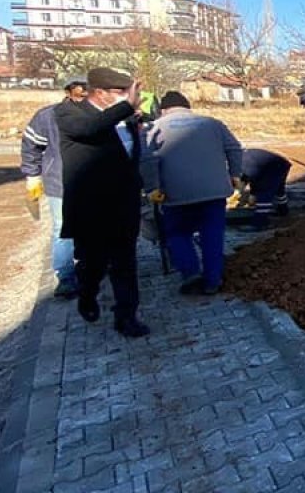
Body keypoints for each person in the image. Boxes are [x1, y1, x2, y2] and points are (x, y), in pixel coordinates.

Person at [55, 67, 149, 337]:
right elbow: (89, 129)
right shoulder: (69, 113)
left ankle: (126, 316)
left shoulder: (127, 119)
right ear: (99, 93)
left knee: (125, 263)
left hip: (123, 204)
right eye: (121, 92)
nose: (127, 98)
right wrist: (125, 108)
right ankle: (87, 294)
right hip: (91, 208)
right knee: (93, 263)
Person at [142, 91, 243, 295]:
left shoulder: (154, 128)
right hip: (214, 191)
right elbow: (234, 148)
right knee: (212, 235)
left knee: (178, 234)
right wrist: (235, 175)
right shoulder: (212, 123)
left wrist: (152, 187)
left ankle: (190, 274)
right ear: (188, 107)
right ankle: (213, 280)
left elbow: (147, 160)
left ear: (163, 109)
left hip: (175, 194)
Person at [20, 76, 87, 298]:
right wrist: (32, 175)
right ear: (68, 91)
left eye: (87, 89)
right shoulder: (47, 117)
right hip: (59, 182)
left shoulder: (98, 114)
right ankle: (66, 276)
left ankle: (91, 266)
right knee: (63, 229)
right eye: (79, 90)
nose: (83, 94)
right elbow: (31, 146)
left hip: (92, 182)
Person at [241, 148, 292, 230]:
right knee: (279, 190)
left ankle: (260, 223)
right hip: (279, 164)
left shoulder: (245, 163)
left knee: (264, 192)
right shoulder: (241, 158)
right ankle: (283, 211)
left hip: (274, 166)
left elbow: (254, 180)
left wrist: (253, 193)